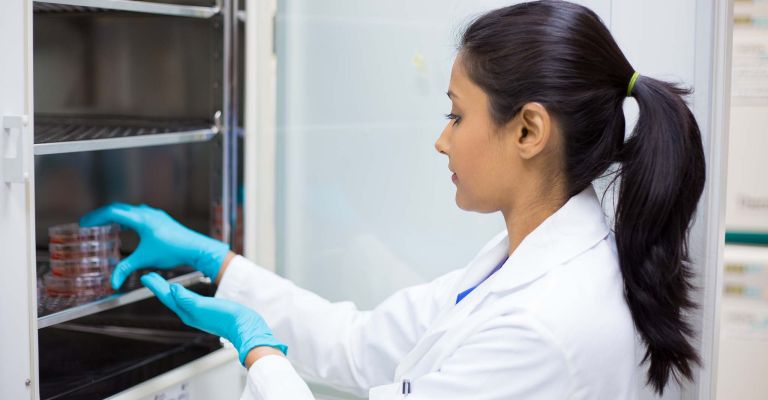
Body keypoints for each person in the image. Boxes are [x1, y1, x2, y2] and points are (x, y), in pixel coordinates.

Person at [81, 1, 706, 399]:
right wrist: (220, 265)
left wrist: (259, 351)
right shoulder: (524, 261)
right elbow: (361, 343)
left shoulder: (545, 327)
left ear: (528, 131)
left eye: (456, 116)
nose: (442, 141)